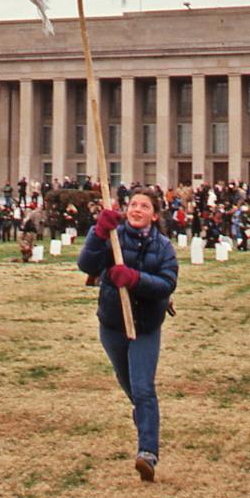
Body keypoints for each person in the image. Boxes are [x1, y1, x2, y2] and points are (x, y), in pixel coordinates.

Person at [77, 187, 179, 482]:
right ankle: (145, 418)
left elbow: (166, 284)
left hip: (145, 326)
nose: (136, 210)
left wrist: (135, 279)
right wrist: (98, 233)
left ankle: (147, 452)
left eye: (144, 206)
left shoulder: (163, 247)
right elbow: (87, 265)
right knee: (129, 384)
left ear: (154, 214)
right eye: (133, 204)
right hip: (112, 324)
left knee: (143, 387)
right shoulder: (113, 236)